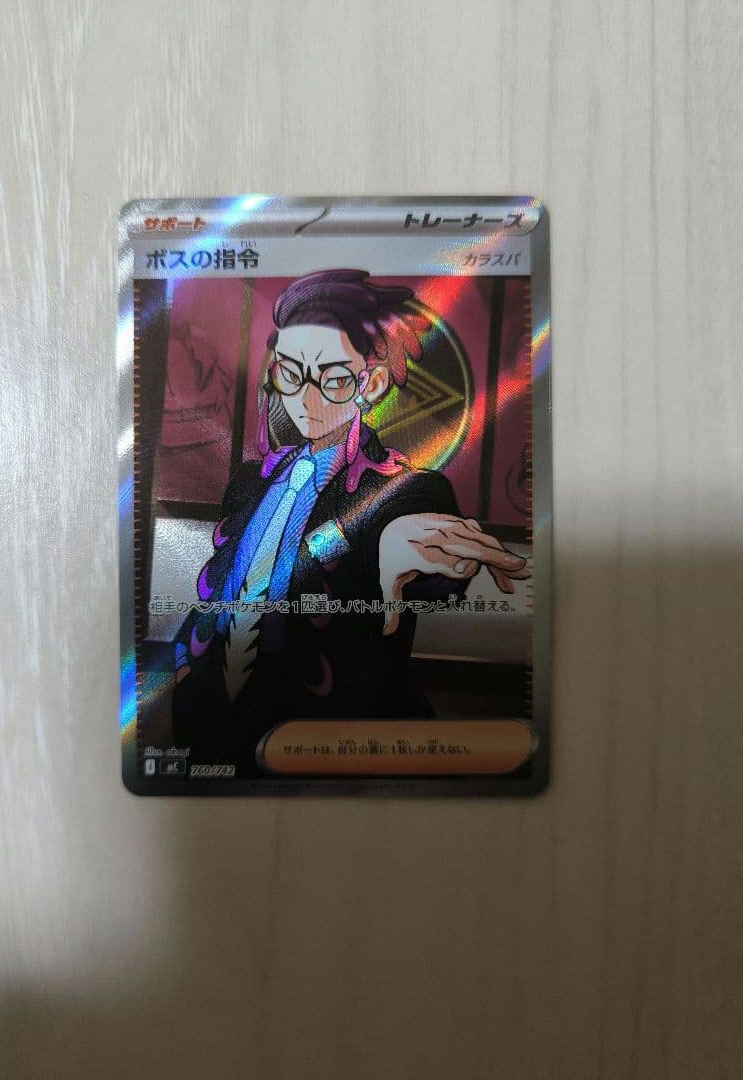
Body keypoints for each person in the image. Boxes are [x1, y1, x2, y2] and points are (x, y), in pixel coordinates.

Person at [172, 269, 529, 768]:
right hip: (216, 726)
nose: (306, 398)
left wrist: (394, 550)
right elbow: (221, 588)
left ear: (372, 383)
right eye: (291, 374)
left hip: (327, 741)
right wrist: (186, 668)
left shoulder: (402, 490)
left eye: (334, 379)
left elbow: (406, 537)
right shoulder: (251, 483)